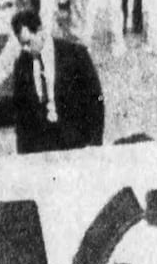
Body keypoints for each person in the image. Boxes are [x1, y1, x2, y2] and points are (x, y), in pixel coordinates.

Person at [7, 8, 105, 154]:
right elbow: (21, 116)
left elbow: (96, 101)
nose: (26, 49)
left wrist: (94, 145)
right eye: (22, 44)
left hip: (75, 143)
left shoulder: (76, 54)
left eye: (28, 42)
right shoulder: (22, 64)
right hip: (42, 147)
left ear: (41, 32)